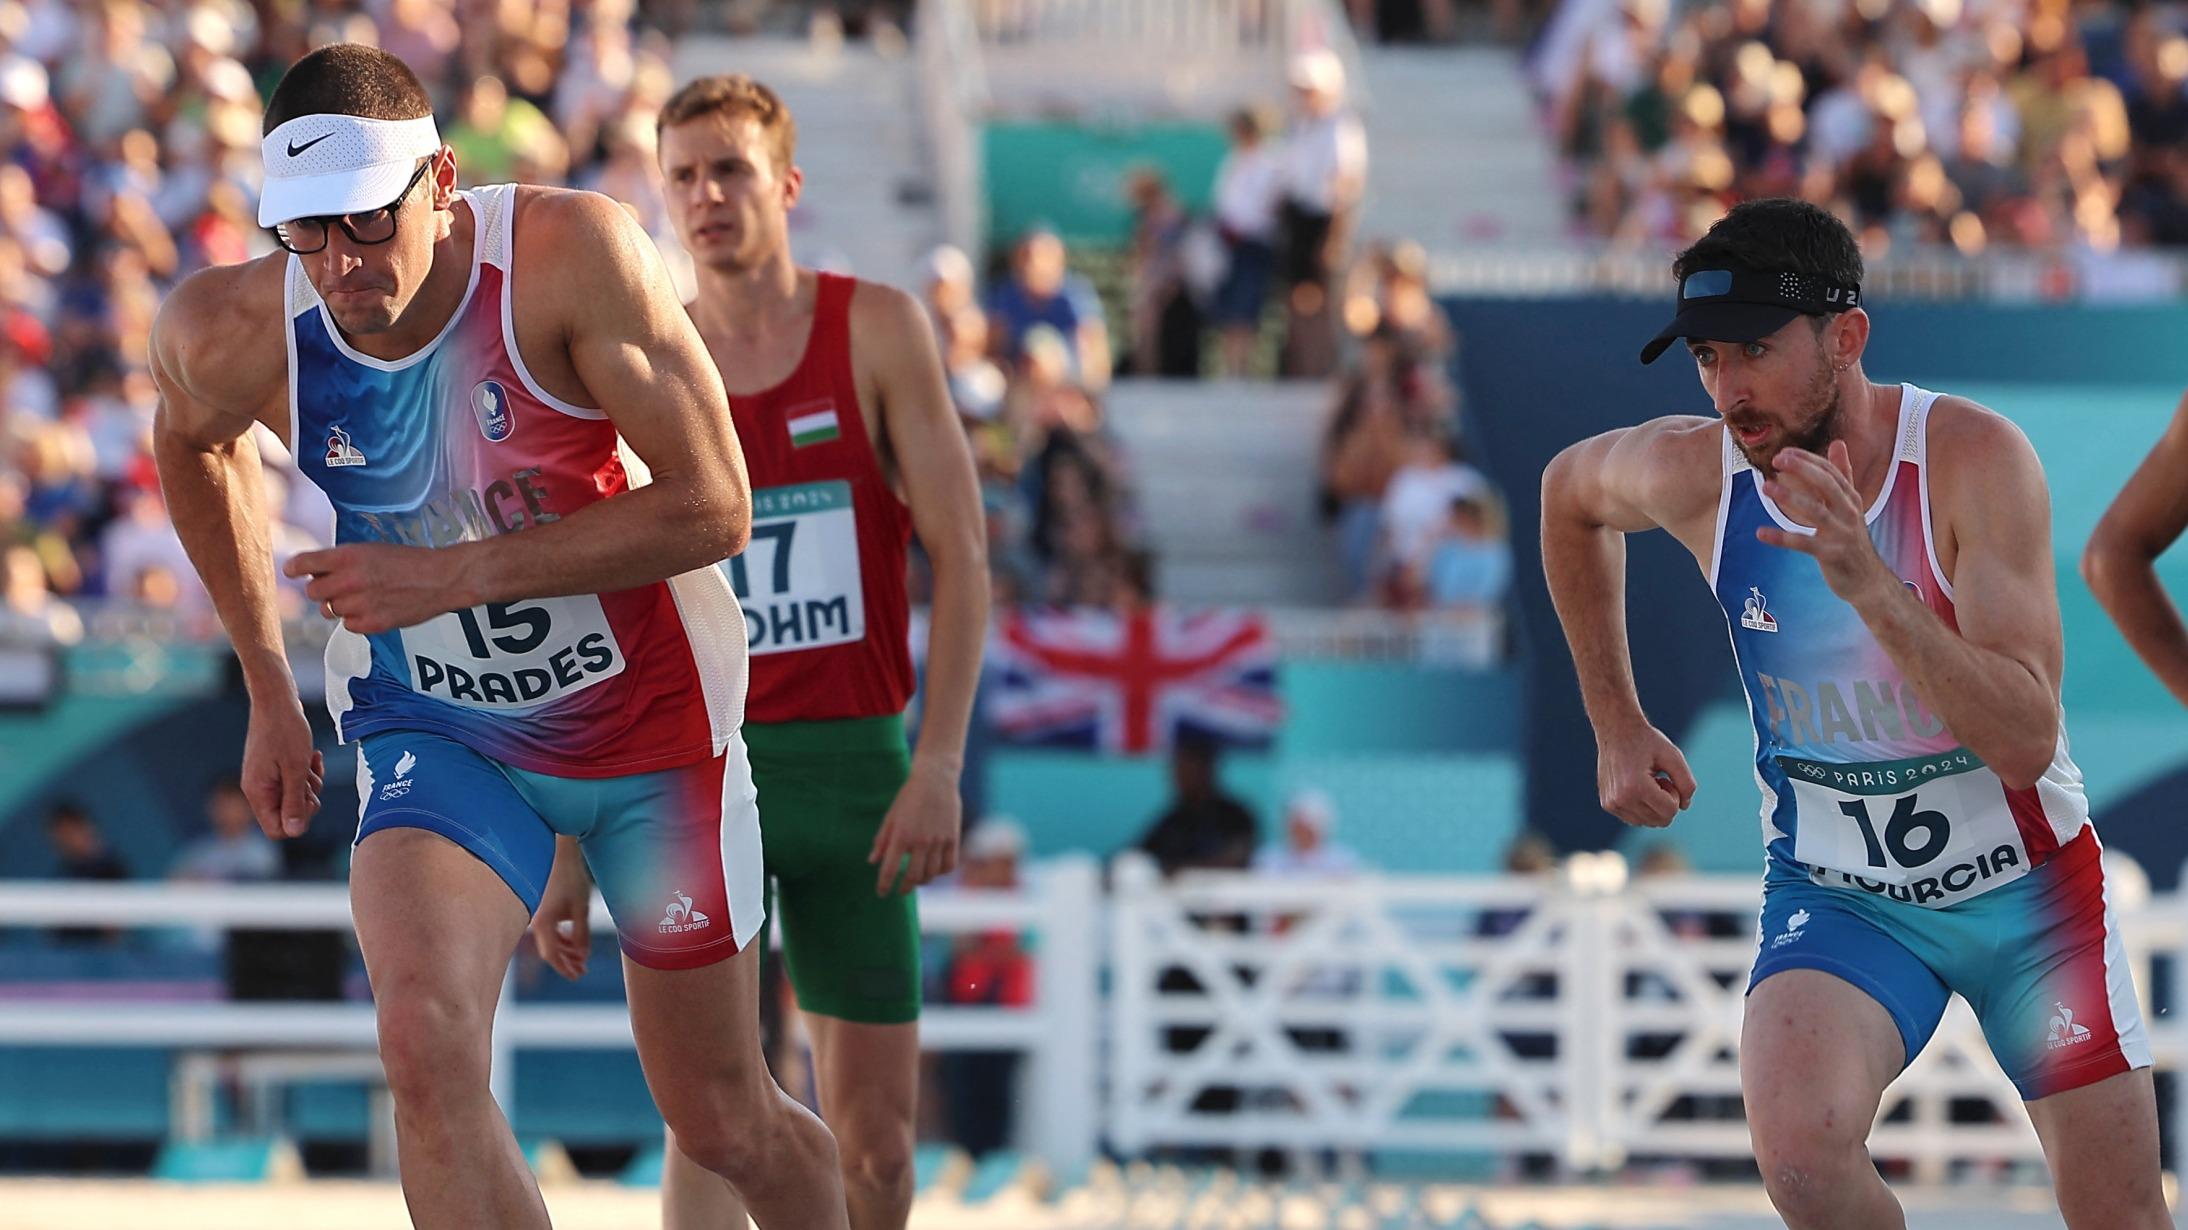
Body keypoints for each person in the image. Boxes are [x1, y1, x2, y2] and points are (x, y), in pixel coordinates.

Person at [148, 44, 847, 1230]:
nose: (338, 266)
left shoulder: (569, 257)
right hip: (443, 731)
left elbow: (716, 502)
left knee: (722, 1118)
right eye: (302, 234)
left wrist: (449, 574)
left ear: (441, 182)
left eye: (365, 225)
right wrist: (268, 677)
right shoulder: (231, 328)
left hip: (652, 733)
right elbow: (190, 444)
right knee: (422, 1047)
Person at [1539, 197, 2164, 1229]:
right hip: (1844, 897)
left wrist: (1873, 588)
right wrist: (1613, 718)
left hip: (2026, 897)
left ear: (1847, 337)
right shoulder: (1702, 473)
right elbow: (1568, 492)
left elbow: (2022, 737)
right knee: (1798, 1158)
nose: (1727, 388)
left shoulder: (1969, 460)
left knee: (2118, 1216)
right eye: (1705, 356)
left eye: (1753, 350)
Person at [559, 72, 986, 1230]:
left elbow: (963, 556)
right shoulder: (638, 360)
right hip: (701, 769)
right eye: (684, 176)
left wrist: (937, 764)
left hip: (858, 776)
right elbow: (598, 601)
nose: (706, 197)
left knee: (881, 1151)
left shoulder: (880, 330)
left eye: (731, 170)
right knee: (714, 1125)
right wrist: (565, 841)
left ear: (786, 182)